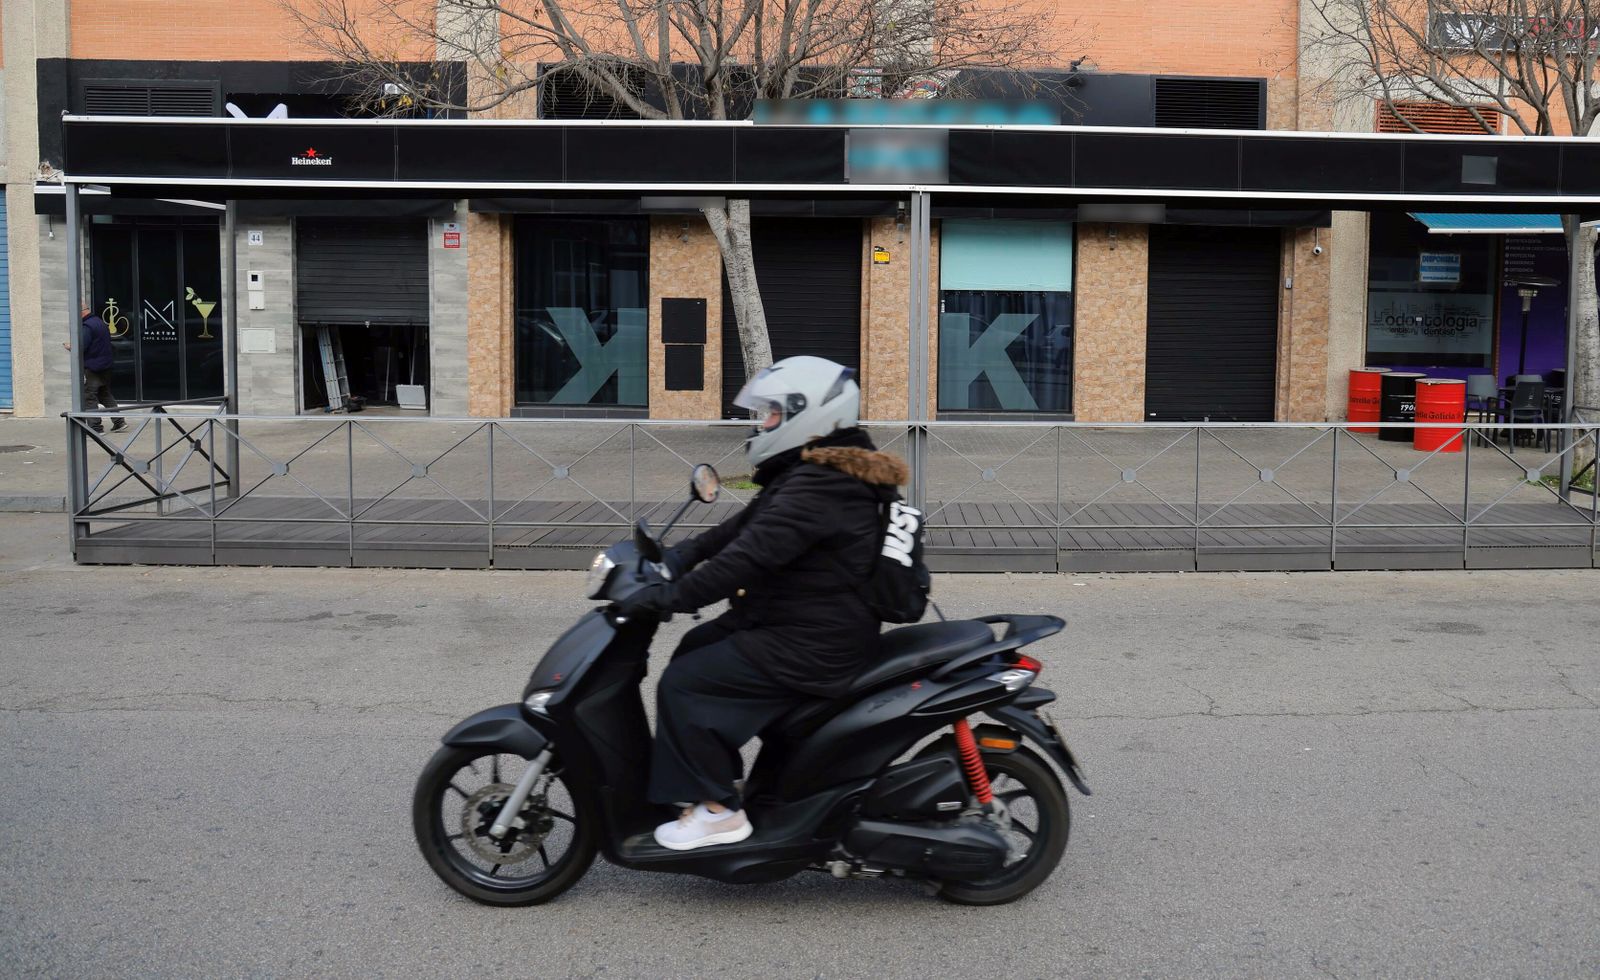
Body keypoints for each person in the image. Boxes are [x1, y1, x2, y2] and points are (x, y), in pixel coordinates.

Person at [615, 355, 907, 850]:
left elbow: (745, 561)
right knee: (696, 645)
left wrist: (669, 595)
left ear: (808, 414)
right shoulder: (812, 472)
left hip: (813, 640)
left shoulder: (823, 485)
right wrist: (674, 558)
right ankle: (718, 783)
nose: (762, 422)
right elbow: (736, 532)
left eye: (772, 413)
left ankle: (718, 813)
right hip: (798, 623)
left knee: (687, 684)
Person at [75, 304, 123, 433]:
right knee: (104, 394)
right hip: (106, 365)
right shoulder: (99, 322)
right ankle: (119, 422)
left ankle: (95, 427)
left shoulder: (87, 326)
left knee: (89, 396)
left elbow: (82, 346)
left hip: (94, 366)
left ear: (81, 312)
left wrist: (71, 346)